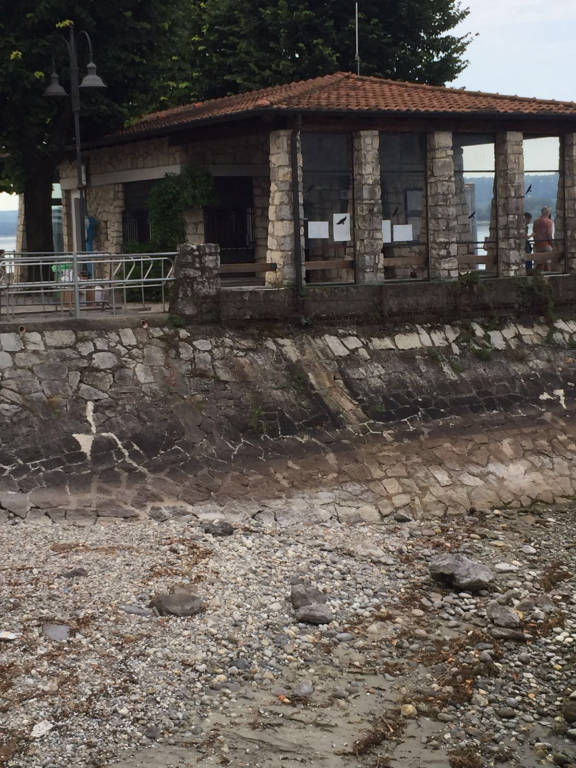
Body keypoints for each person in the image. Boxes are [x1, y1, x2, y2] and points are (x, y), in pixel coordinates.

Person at [532, 206, 554, 272]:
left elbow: (534, 234)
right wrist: (551, 244)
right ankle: (549, 275)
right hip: (545, 245)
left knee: (539, 264)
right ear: (548, 213)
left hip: (537, 245)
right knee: (549, 261)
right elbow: (549, 235)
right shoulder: (549, 222)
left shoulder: (535, 222)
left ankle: (539, 276)